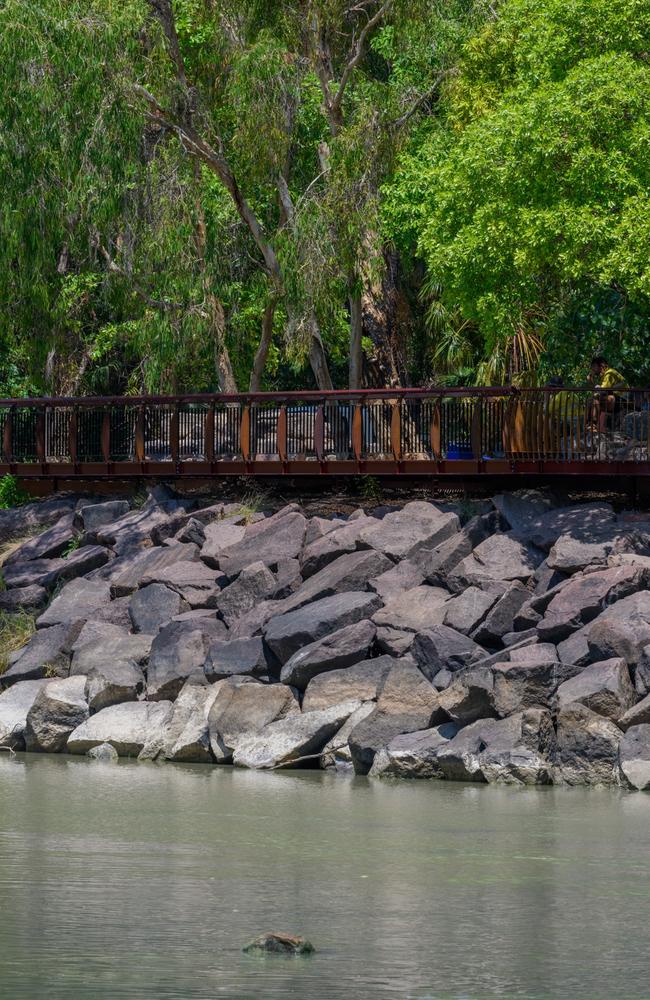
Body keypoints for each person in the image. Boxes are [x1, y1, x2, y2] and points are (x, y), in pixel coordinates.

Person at [587, 356, 628, 431]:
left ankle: (593, 424)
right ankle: (592, 425)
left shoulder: (609, 373)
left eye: (594, 366)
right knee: (592, 400)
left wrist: (592, 384)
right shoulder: (604, 376)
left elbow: (602, 391)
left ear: (601, 366)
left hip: (623, 400)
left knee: (595, 400)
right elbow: (601, 391)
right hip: (616, 399)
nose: (593, 369)